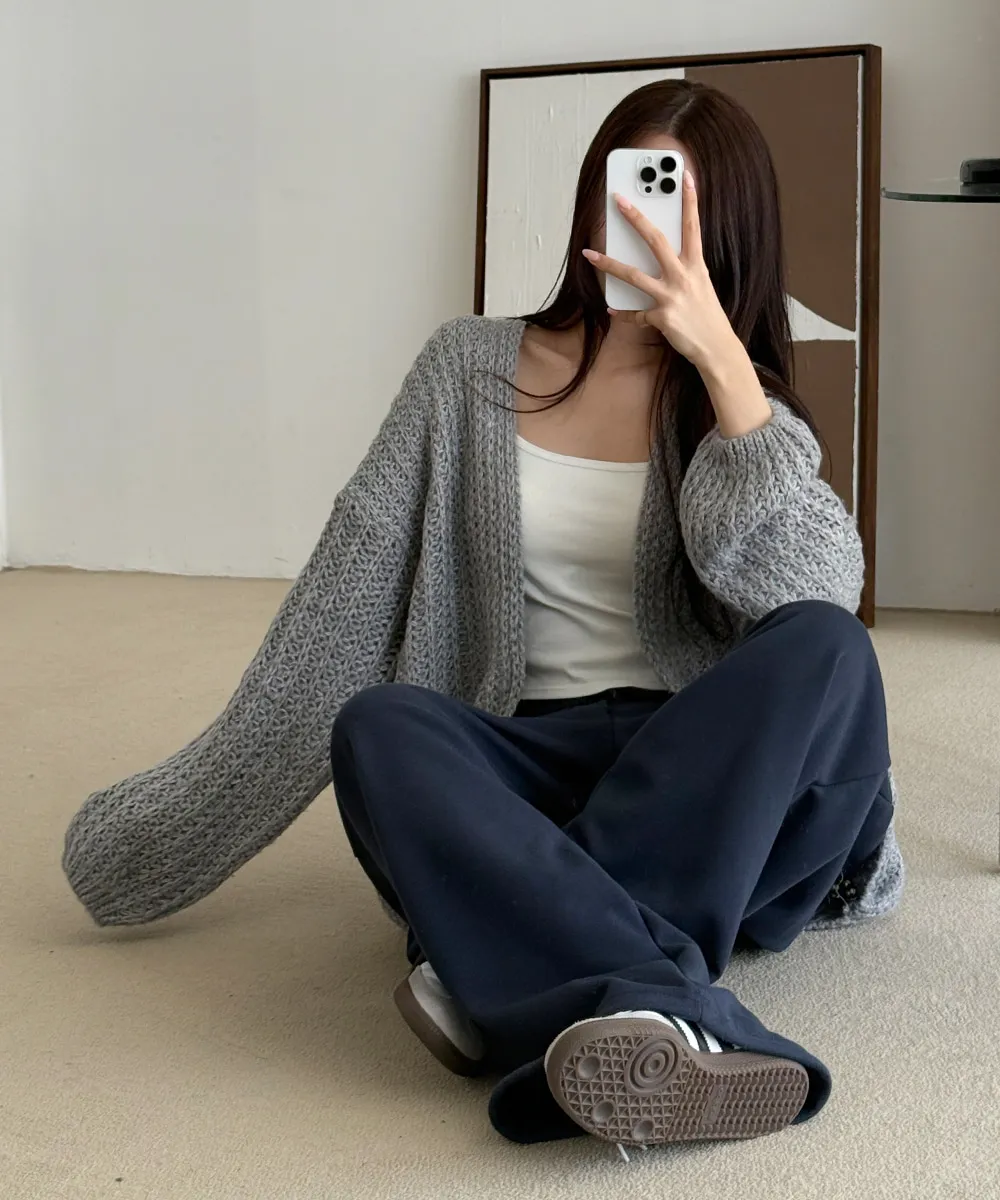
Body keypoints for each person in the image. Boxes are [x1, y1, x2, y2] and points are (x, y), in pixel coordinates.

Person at [63, 80, 903, 1154]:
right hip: (524, 761)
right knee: (381, 724)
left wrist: (726, 371)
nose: (645, 228)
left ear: (728, 233)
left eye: (677, 209)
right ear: (589, 201)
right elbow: (338, 611)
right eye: (629, 194)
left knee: (828, 645)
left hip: (702, 777)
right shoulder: (465, 369)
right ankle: (658, 1007)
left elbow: (818, 592)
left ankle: (510, 961)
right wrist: (165, 826)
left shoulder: (744, 408)